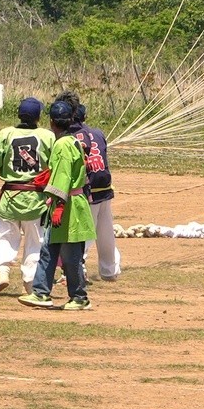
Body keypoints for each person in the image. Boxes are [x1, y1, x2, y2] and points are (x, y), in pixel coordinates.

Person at [20, 99, 95, 312]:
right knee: (49, 250)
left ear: (52, 122)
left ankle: (79, 297)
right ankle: (41, 292)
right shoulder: (71, 140)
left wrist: (59, 204)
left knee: (70, 256)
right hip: (67, 204)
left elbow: (63, 177)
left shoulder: (62, 145)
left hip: (69, 207)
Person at [0, 98, 52, 296]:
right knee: (35, 241)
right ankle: (30, 282)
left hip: (10, 196)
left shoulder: (7, 133)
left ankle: (3, 272)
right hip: (36, 199)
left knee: (3, 235)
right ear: (39, 117)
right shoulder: (47, 137)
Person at [69, 100, 119, 282]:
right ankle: (109, 270)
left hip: (89, 189)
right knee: (106, 232)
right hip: (105, 186)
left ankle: (79, 267)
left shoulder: (71, 136)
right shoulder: (98, 132)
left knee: (85, 232)